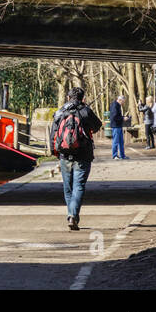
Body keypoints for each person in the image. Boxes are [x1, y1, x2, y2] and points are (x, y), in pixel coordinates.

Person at [50, 87, 103, 230]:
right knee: (78, 186)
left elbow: (53, 133)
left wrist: (54, 152)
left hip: (64, 155)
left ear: (68, 98)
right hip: (83, 154)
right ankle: (73, 216)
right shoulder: (85, 111)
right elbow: (98, 125)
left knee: (68, 187)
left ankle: (71, 215)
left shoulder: (60, 112)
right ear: (82, 98)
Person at [109, 94, 128, 159]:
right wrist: (123, 118)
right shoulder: (115, 105)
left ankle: (122, 155)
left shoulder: (118, 105)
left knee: (121, 141)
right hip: (115, 126)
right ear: (120, 100)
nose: (123, 103)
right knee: (116, 141)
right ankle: (115, 155)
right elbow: (114, 117)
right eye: (123, 102)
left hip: (119, 125)